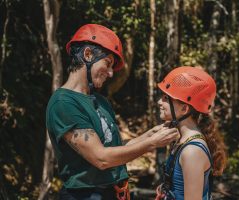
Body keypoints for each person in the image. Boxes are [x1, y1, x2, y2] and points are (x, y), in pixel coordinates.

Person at [45, 24, 179, 200]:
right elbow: (101, 158)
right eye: (107, 64)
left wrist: (148, 136)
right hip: (86, 195)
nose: (110, 73)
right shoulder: (64, 103)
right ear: (87, 54)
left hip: (112, 192)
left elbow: (114, 150)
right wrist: (151, 144)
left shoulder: (101, 102)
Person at [155, 66, 227, 200]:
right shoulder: (182, 141)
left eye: (166, 98)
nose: (160, 102)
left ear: (184, 108)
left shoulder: (192, 152)